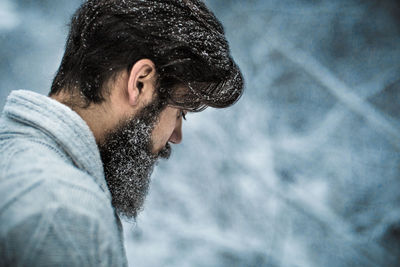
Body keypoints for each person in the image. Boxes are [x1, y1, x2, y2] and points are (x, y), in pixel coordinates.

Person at [0, 0, 243, 266]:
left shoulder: (15, 159)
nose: (176, 136)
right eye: (180, 112)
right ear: (140, 82)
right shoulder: (62, 216)